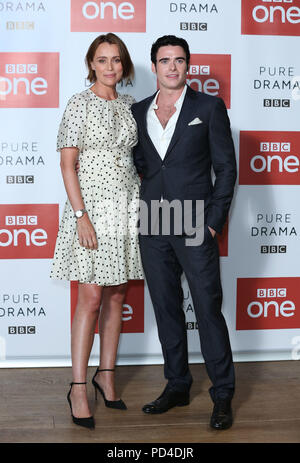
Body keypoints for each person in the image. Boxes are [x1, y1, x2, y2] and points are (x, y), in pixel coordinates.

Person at [131, 35, 237, 430]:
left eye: (178, 60)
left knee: (207, 310)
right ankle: (177, 385)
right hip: (153, 223)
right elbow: (144, 162)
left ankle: (222, 394)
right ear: (154, 66)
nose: (171, 67)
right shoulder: (138, 110)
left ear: (187, 66)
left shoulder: (209, 107)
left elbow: (227, 169)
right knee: (166, 308)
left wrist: (212, 221)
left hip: (195, 223)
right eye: (163, 60)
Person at [50, 33, 143, 429]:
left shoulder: (129, 106)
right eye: (102, 60)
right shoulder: (78, 103)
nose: (110, 67)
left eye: (116, 60)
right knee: (89, 297)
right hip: (90, 210)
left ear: (124, 66)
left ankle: (106, 375)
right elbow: (67, 165)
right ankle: (76, 385)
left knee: (117, 293)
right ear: (91, 64)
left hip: (126, 208)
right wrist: (80, 216)